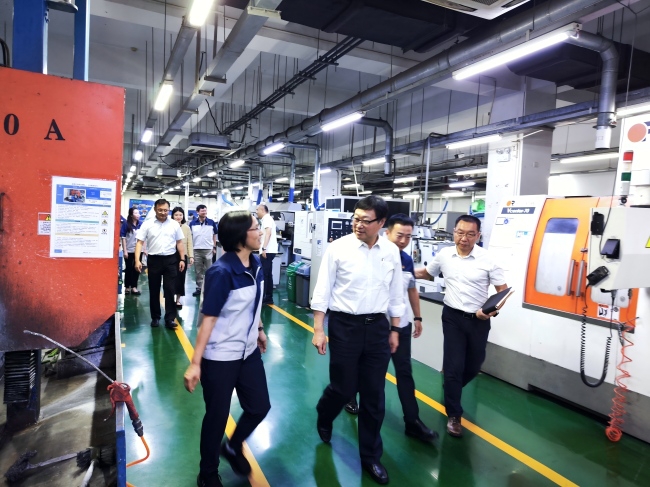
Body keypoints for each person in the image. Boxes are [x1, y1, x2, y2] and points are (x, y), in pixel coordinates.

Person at [311, 195, 404, 485]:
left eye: (365, 220)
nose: (358, 224)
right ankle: (325, 413)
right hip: (345, 326)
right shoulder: (339, 248)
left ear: (381, 223)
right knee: (343, 388)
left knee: (374, 395)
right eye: (356, 218)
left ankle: (370, 457)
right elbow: (323, 289)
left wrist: (395, 329)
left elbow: (396, 292)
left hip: (377, 327)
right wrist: (318, 328)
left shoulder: (390, 251)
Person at [184, 210, 270, 487]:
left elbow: (255, 302)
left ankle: (232, 446)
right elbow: (207, 320)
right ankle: (207, 473)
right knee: (217, 417)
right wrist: (196, 363)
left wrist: (259, 329)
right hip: (220, 356)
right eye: (255, 228)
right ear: (240, 236)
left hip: (248, 352)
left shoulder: (255, 263)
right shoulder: (221, 272)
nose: (260, 232)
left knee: (259, 407)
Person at [344, 214, 437, 443]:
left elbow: (411, 289)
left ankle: (412, 421)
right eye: (399, 235)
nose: (404, 241)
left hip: (400, 325)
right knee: (369, 372)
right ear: (387, 233)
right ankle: (352, 398)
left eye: (408, 236)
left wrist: (418, 317)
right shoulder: (370, 256)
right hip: (374, 327)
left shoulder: (406, 260)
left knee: (404, 372)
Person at [415, 214, 507, 437]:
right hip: (452, 317)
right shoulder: (445, 255)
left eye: (470, 234)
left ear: (478, 235)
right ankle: (454, 415)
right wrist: (403, 269)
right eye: (460, 233)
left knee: (474, 366)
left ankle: (451, 387)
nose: (464, 238)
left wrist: (491, 311)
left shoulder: (487, 259)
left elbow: (502, 291)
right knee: (453, 367)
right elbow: (427, 273)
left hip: (478, 320)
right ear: (454, 232)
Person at [134, 199, 186, 329]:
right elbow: (139, 242)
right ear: (155, 209)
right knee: (154, 289)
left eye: (165, 210)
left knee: (170, 290)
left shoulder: (174, 224)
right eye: (160, 210)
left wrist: (182, 259)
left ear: (169, 210)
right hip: (154, 260)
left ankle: (170, 318)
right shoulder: (147, 224)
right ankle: (155, 317)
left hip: (171, 260)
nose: (163, 212)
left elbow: (179, 242)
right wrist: (137, 260)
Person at [189, 204, 218, 297]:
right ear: (197, 212)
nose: (204, 212)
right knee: (198, 270)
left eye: (205, 211)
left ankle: (209, 287)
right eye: (202, 211)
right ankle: (199, 288)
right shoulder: (192, 223)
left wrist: (214, 247)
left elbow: (214, 235)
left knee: (209, 269)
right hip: (196, 249)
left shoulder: (211, 222)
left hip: (208, 249)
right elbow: (190, 237)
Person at [170, 207, 194, 309]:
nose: (178, 217)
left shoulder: (186, 228)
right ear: (172, 216)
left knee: (180, 278)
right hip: (170, 255)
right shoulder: (169, 226)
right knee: (171, 278)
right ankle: (170, 298)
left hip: (182, 256)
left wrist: (191, 256)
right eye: (176, 215)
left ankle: (178, 300)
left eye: (180, 215)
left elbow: (189, 243)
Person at [256, 204, 278, 305]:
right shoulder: (266, 219)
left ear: (262, 210)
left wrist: (264, 248)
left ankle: (265, 297)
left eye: (257, 210)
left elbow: (268, 233)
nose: (256, 212)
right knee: (268, 275)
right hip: (268, 251)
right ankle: (268, 297)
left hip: (267, 251)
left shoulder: (267, 219)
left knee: (265, 275)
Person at [120, 207, 142, 295]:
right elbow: (123, 238)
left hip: (138, 251)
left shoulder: (141, 224)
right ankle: (127, 287)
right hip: (129, 250)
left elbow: (143, 238)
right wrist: (125, 250)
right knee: (129, 268)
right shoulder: (126, 224)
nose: (138, 215)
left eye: (138, 213)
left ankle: (134, 287)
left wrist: (144, 249)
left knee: (136, 269)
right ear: (131, 215)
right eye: (136, 213)